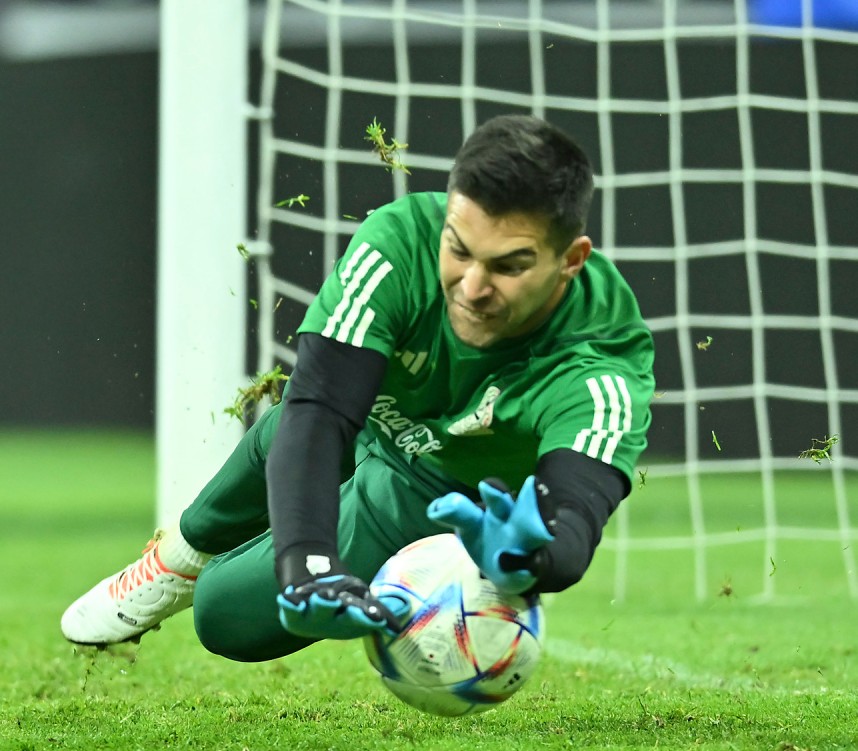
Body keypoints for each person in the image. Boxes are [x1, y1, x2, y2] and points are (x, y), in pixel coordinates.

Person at [61, 115, 655, 661]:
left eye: (509, 266)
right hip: (371, 419)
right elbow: (319, 408)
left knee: (221, 617)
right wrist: (309, 561)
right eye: (458, 249)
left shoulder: (601, 364)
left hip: (432, 495)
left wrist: (532, 556)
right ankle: (177, 560)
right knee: (293, 418)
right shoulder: (400, 241)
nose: (472, 287)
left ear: (571, 259)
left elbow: (574, 519)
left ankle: (209, 574)